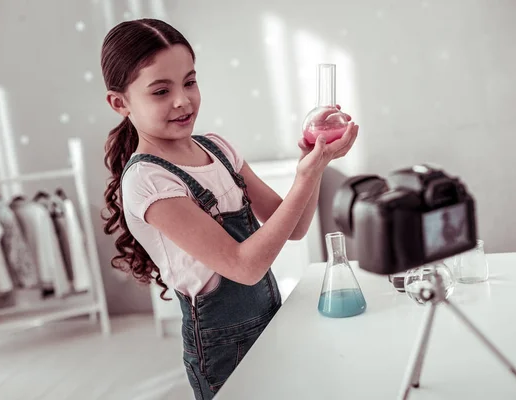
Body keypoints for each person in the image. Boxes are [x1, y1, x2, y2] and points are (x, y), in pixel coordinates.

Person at [100, 18, 359, 400]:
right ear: (120, 103)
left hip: (271, 318)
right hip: (223, 346)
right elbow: (244, 266)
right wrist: (305, 177)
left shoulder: (218, 148)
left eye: (189, 81)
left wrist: (315, 166)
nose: (182, 100)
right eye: (160, 91)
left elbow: (293, 228)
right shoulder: (148, 181)